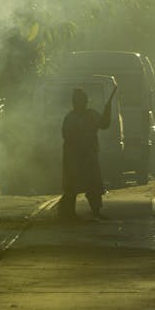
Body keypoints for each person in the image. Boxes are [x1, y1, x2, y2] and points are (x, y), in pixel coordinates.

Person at [59, 82, 116, 221]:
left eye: (82, 101)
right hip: (74, 156)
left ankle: (96, 210)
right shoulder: (70, 118)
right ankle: (69, 212)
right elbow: (67, 136)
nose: (80, 104)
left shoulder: (91, 115)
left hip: (89, 155)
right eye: (78, 101)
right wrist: (80, 148)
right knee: (71, 185)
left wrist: (107, 109)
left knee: (94, 184)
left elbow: (104, 124)